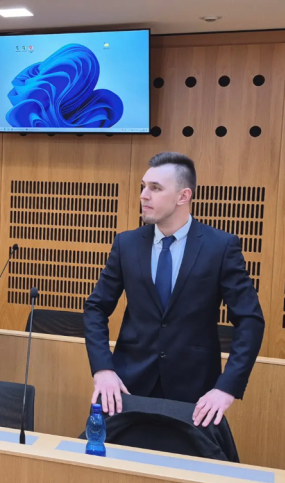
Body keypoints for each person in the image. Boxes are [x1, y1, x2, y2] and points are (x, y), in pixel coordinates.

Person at [84, 152, 264, 428]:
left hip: (196, 394)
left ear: (183, 196)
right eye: (143, 186)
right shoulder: (126, 244)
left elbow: (250, 320)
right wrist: (102, 368)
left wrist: (227, 387)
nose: (144, 195)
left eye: (155, 188)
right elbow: (96, 307)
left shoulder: (220, 247)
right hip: (125, 388)